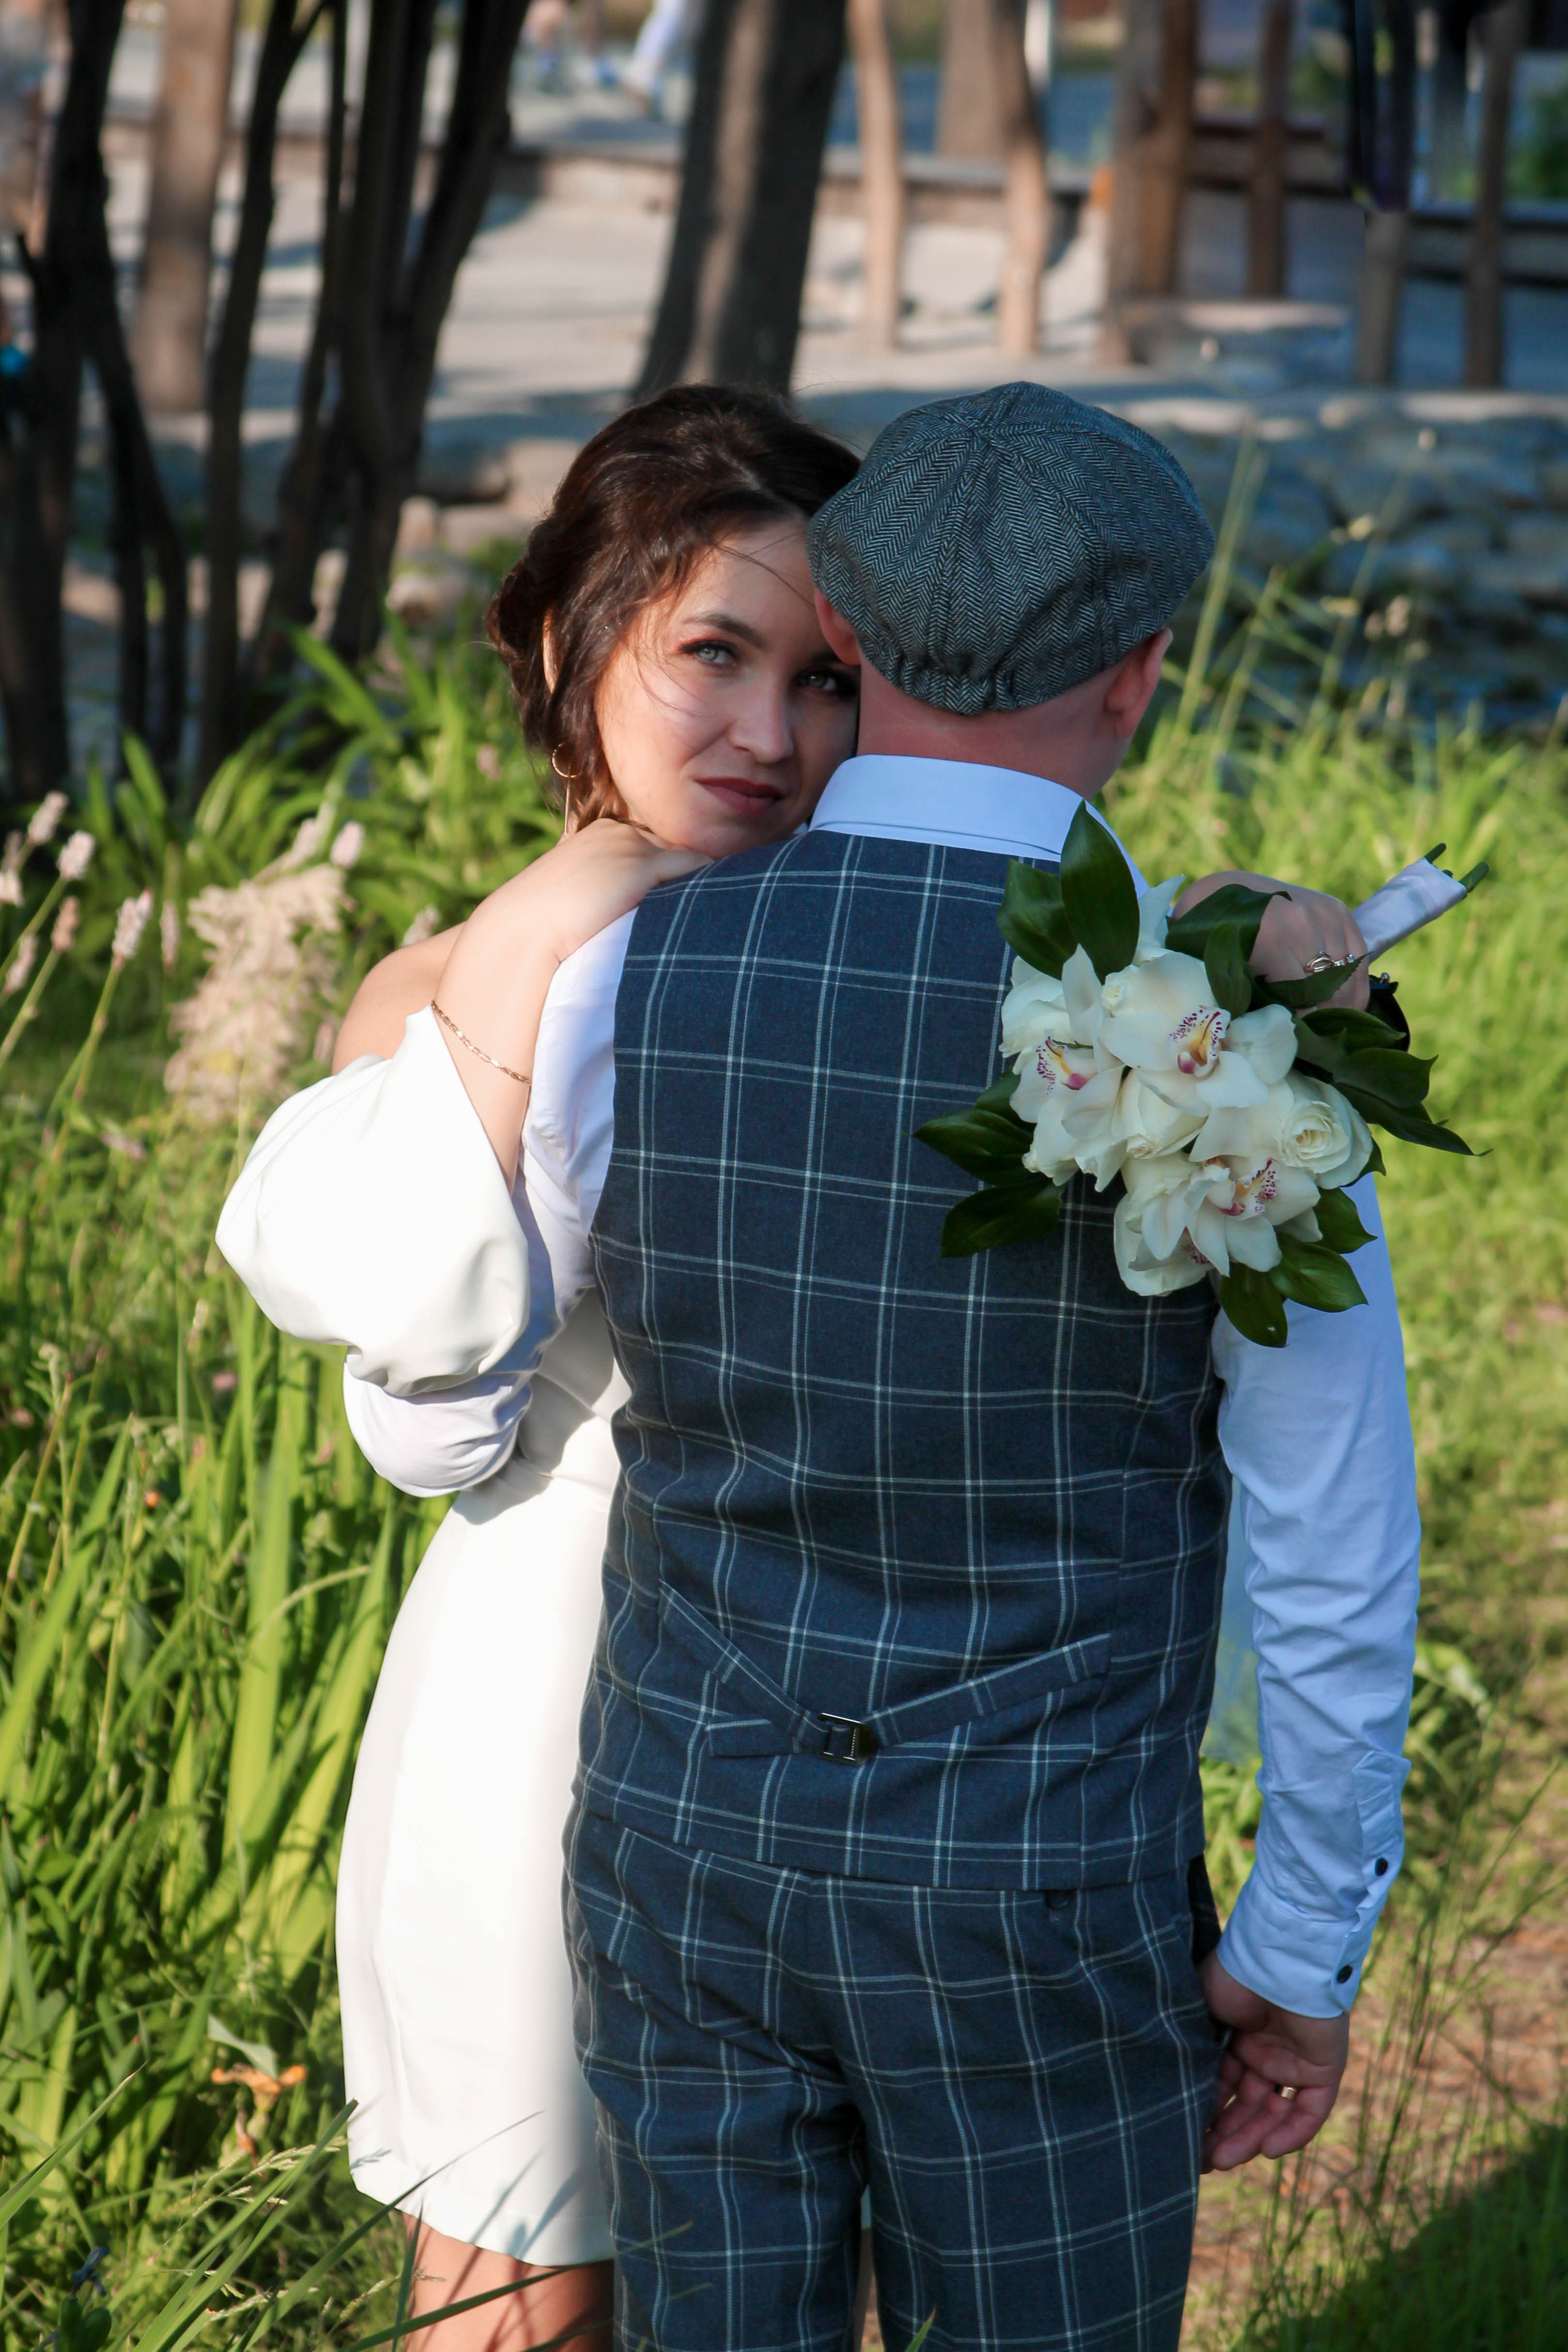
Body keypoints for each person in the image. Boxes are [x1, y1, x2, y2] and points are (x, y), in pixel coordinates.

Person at [219, 382, 1406, 2352]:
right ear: (1140, 671)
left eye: (805, 669)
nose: (764, 733)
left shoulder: (639, 988)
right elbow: (1332, 1524)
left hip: (683, 1828)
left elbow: (437, 1399)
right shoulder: (1224, 1038)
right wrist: (1303, 1938)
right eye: (711, 658)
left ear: (861, 639)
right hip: (1003, 1868)